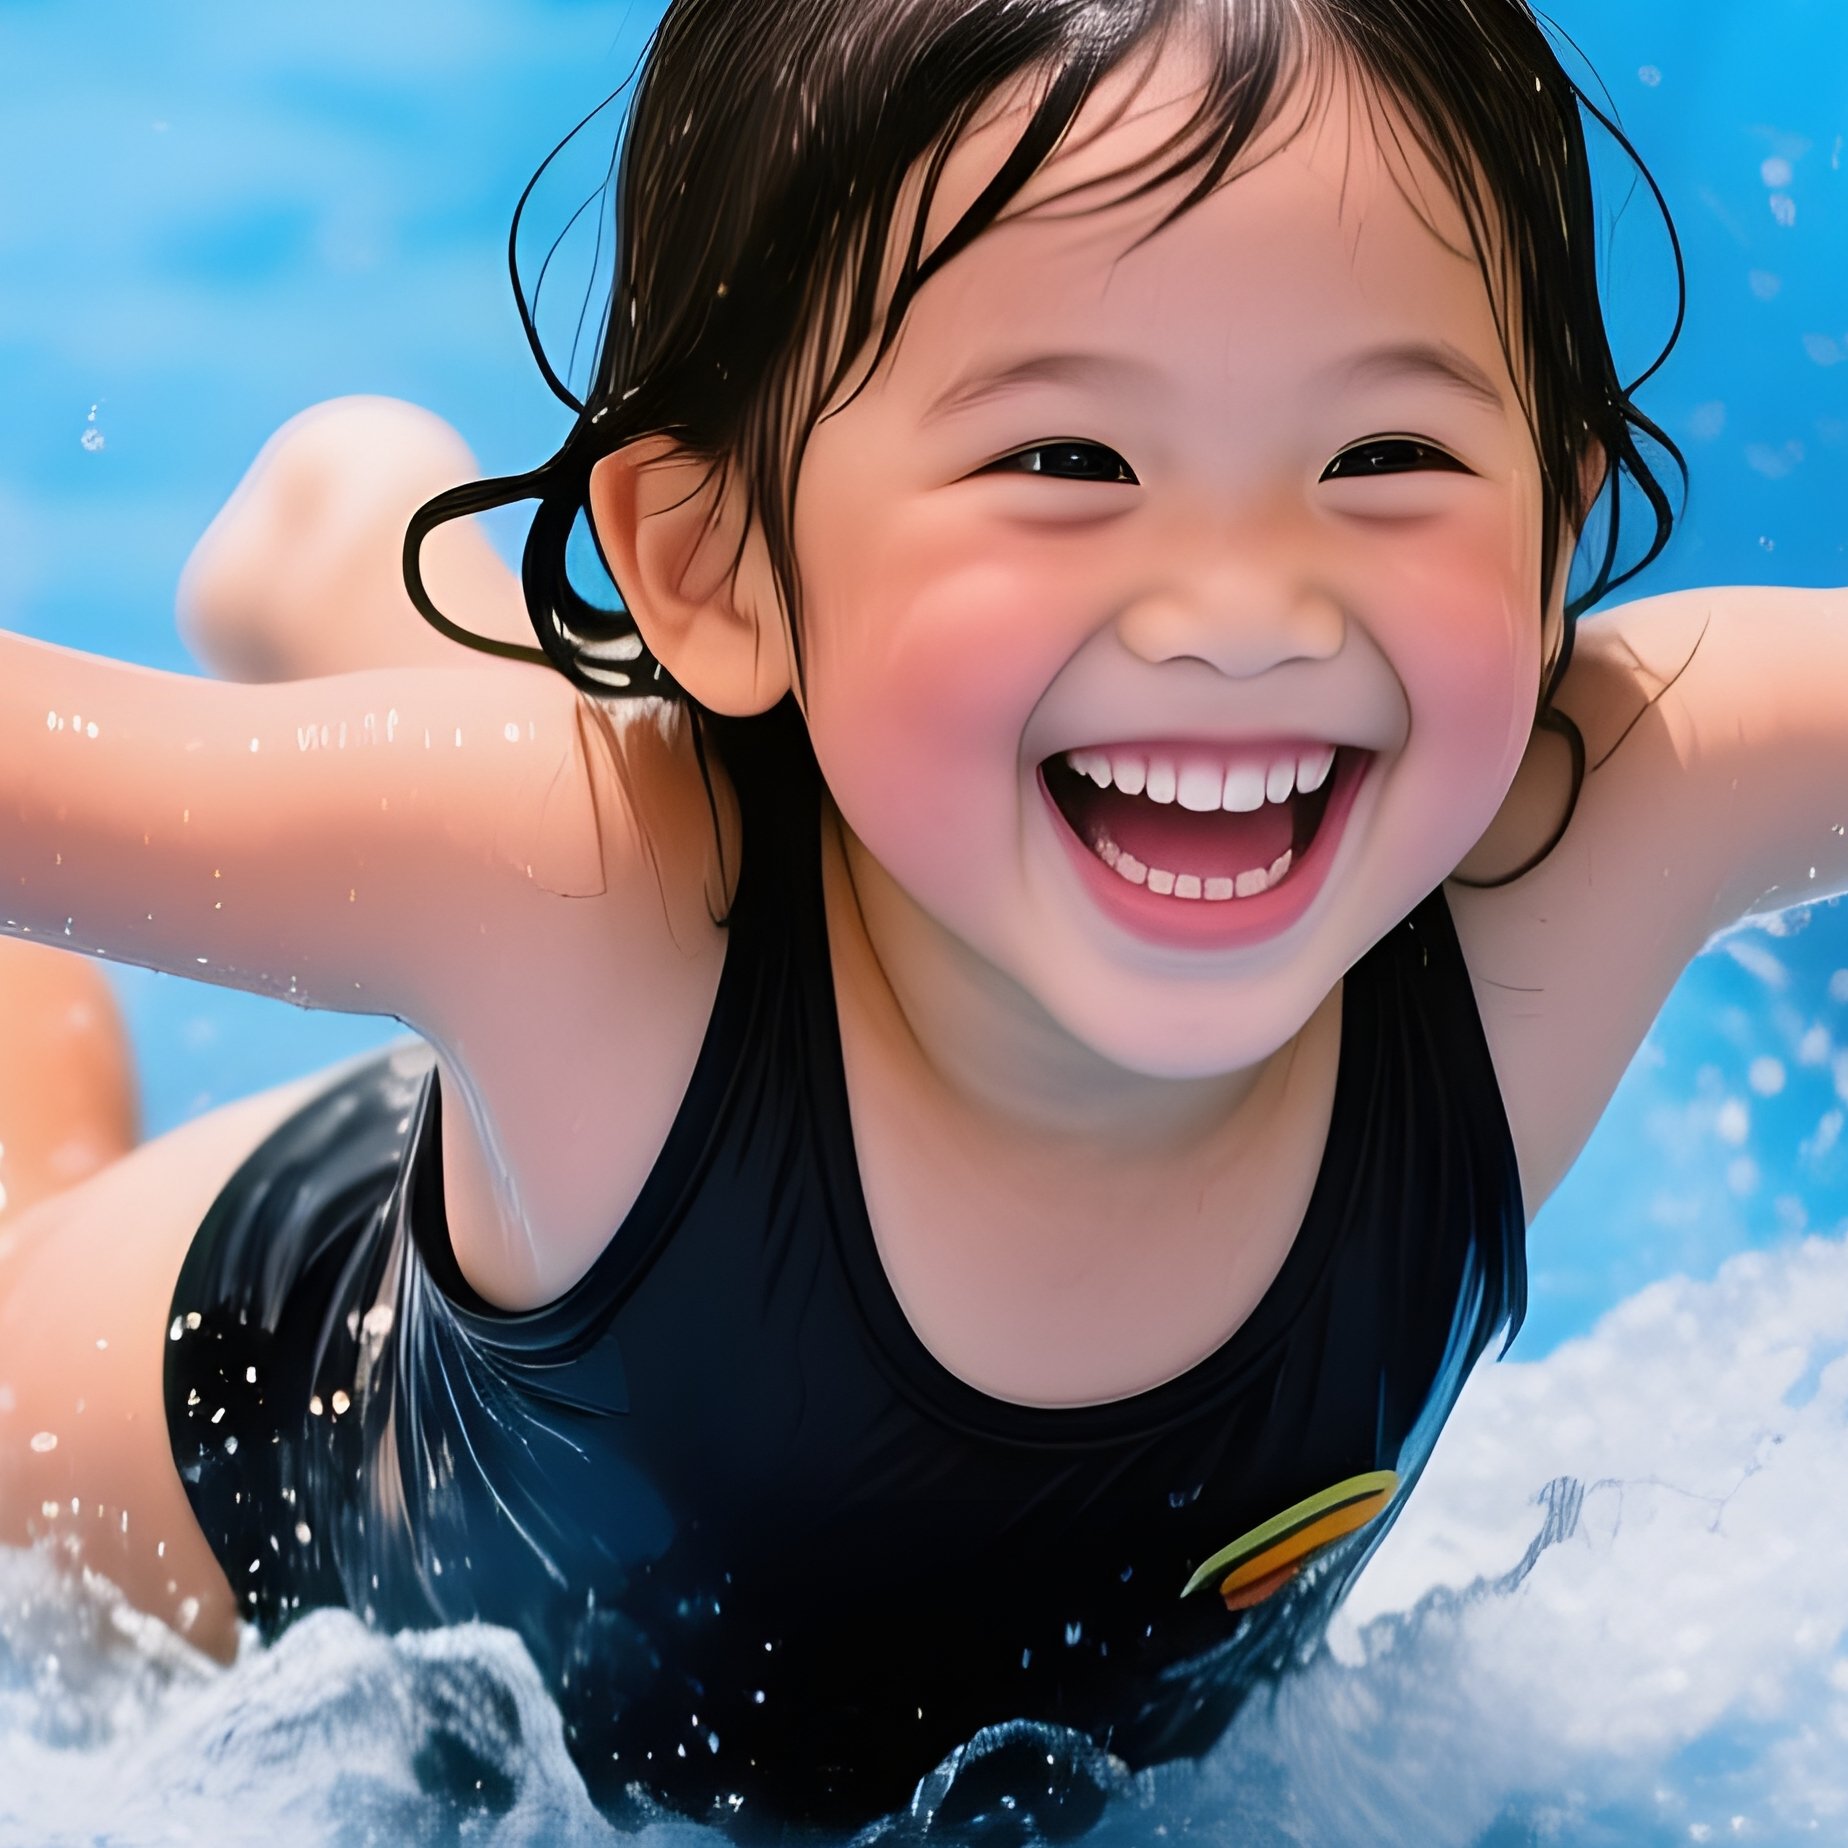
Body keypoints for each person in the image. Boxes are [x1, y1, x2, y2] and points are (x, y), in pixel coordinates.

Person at [2, 0, 1841, 1833]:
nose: (1244, 610)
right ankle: (345, 551)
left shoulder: (1582, 842)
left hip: (634, 1033)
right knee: (468, 874)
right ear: (711, 559)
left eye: (1386, 460)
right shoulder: (582, 893)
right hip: (277, 1404)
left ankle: (392, 603)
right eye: (1066, 464)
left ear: (1559, 539)